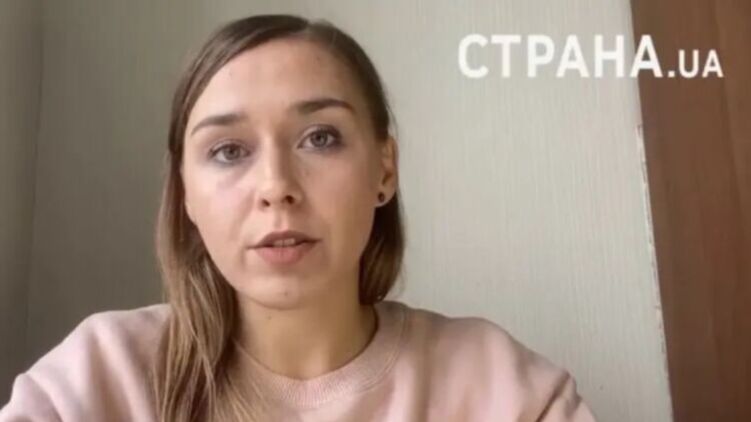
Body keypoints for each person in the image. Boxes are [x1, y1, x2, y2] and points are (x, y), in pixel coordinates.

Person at [0, 14, 596, 421]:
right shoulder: (95, 382)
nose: (276, 188)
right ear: (185, 194)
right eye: (228, 151)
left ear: (385, 169)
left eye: (320, 138)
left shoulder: (504, 392)